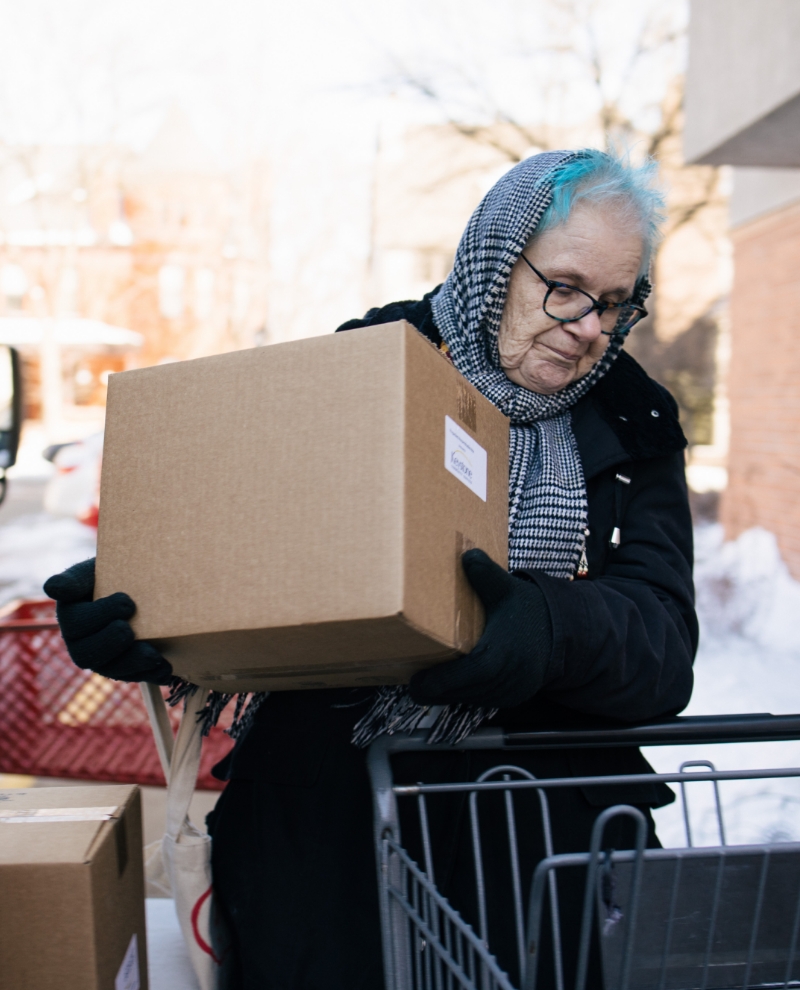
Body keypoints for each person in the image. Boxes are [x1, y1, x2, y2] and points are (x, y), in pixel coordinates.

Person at [45, 149, 697, 989]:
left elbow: (663, 643)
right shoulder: (373, 361)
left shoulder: (632, 420)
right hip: (329, 840)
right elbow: (255, 545)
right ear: (498, 259)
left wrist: (548, 627)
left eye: (615, 303)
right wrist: (144, 604)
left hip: (540, 859)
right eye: (565, 287)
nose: (590, 327)